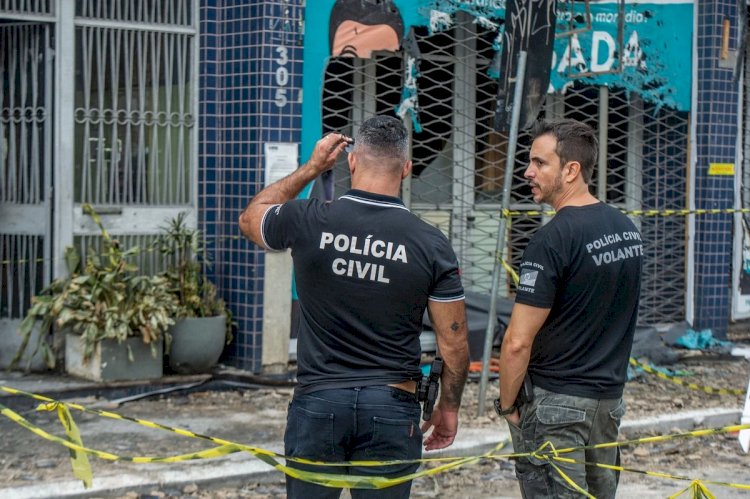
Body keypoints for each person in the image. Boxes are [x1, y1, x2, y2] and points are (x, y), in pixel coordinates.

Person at [239, 115, 469, 499]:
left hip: (318, 403)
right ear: (407, 169)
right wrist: (448, 406)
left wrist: (311, 169)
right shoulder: (431, 243)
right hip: (393, 407)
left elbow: (250, 218)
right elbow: (454, 342)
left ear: (351, 161)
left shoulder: (309, 219)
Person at [496, 118, 643, 498]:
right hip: (607, 403)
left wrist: (507, 404)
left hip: (557, 405)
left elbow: (516, 341)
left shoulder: (552, 239)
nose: (528, 172)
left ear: (571, 170)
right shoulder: (626, 228)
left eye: (540, 163)